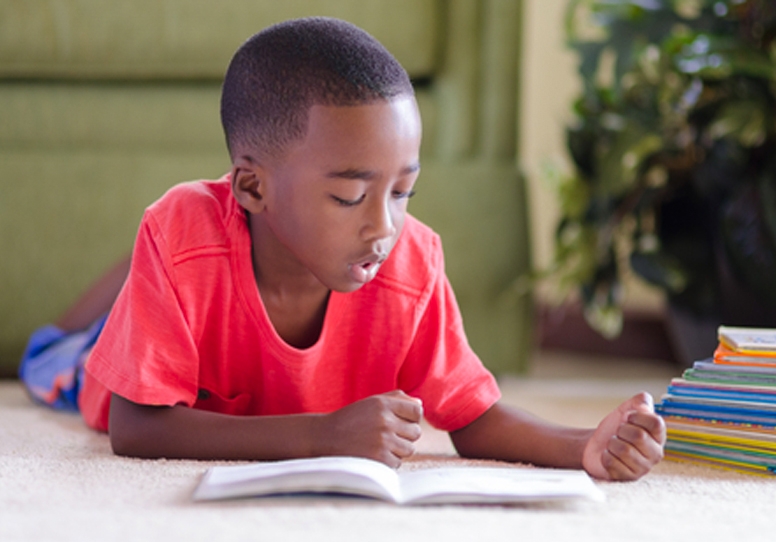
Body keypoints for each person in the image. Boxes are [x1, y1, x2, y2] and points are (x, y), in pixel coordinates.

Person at [19, 17, 665, 481]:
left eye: (403, 191)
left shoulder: (409, 262)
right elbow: (136, 427)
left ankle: (138, 280)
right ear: (251, 186)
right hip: (94, 362)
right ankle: (127, 283)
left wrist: (586, 445)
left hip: (198, 286)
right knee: (51, 349)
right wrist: (321, 436)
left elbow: (474, 418)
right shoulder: (183, 232)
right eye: (350, 198)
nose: (382, 226)